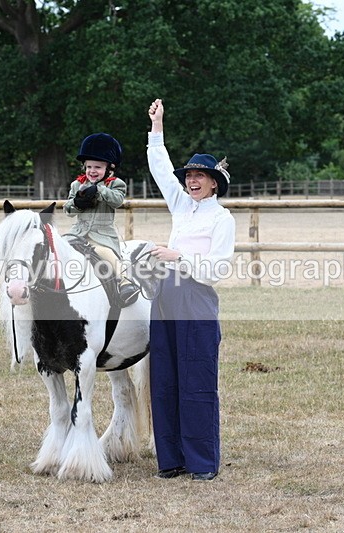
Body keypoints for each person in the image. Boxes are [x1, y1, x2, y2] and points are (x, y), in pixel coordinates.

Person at [145, 98, 236, 481]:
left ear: (214, 182)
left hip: (196, 300)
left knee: (196, 381)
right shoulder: (181, 207)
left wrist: (177, 255)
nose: (191, 180)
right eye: (190, 176)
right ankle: (172, 460)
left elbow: (217, 269)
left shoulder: (222, 218)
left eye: (200, 176)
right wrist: (157, 127)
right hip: (165, 297)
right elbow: (162, 170)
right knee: (164, 379)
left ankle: (201, 463)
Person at [64, 133, 138, 306]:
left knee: (107, 255)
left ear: (109, 169)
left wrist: (99, 190)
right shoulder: (77, 185)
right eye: (89, 166)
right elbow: (68, 210)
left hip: (102, 236)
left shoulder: (116, 184)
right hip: (77, 233)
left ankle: (125, 283)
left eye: (97, 167)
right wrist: (78, 202)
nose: (92, 171)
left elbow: (117, 201)